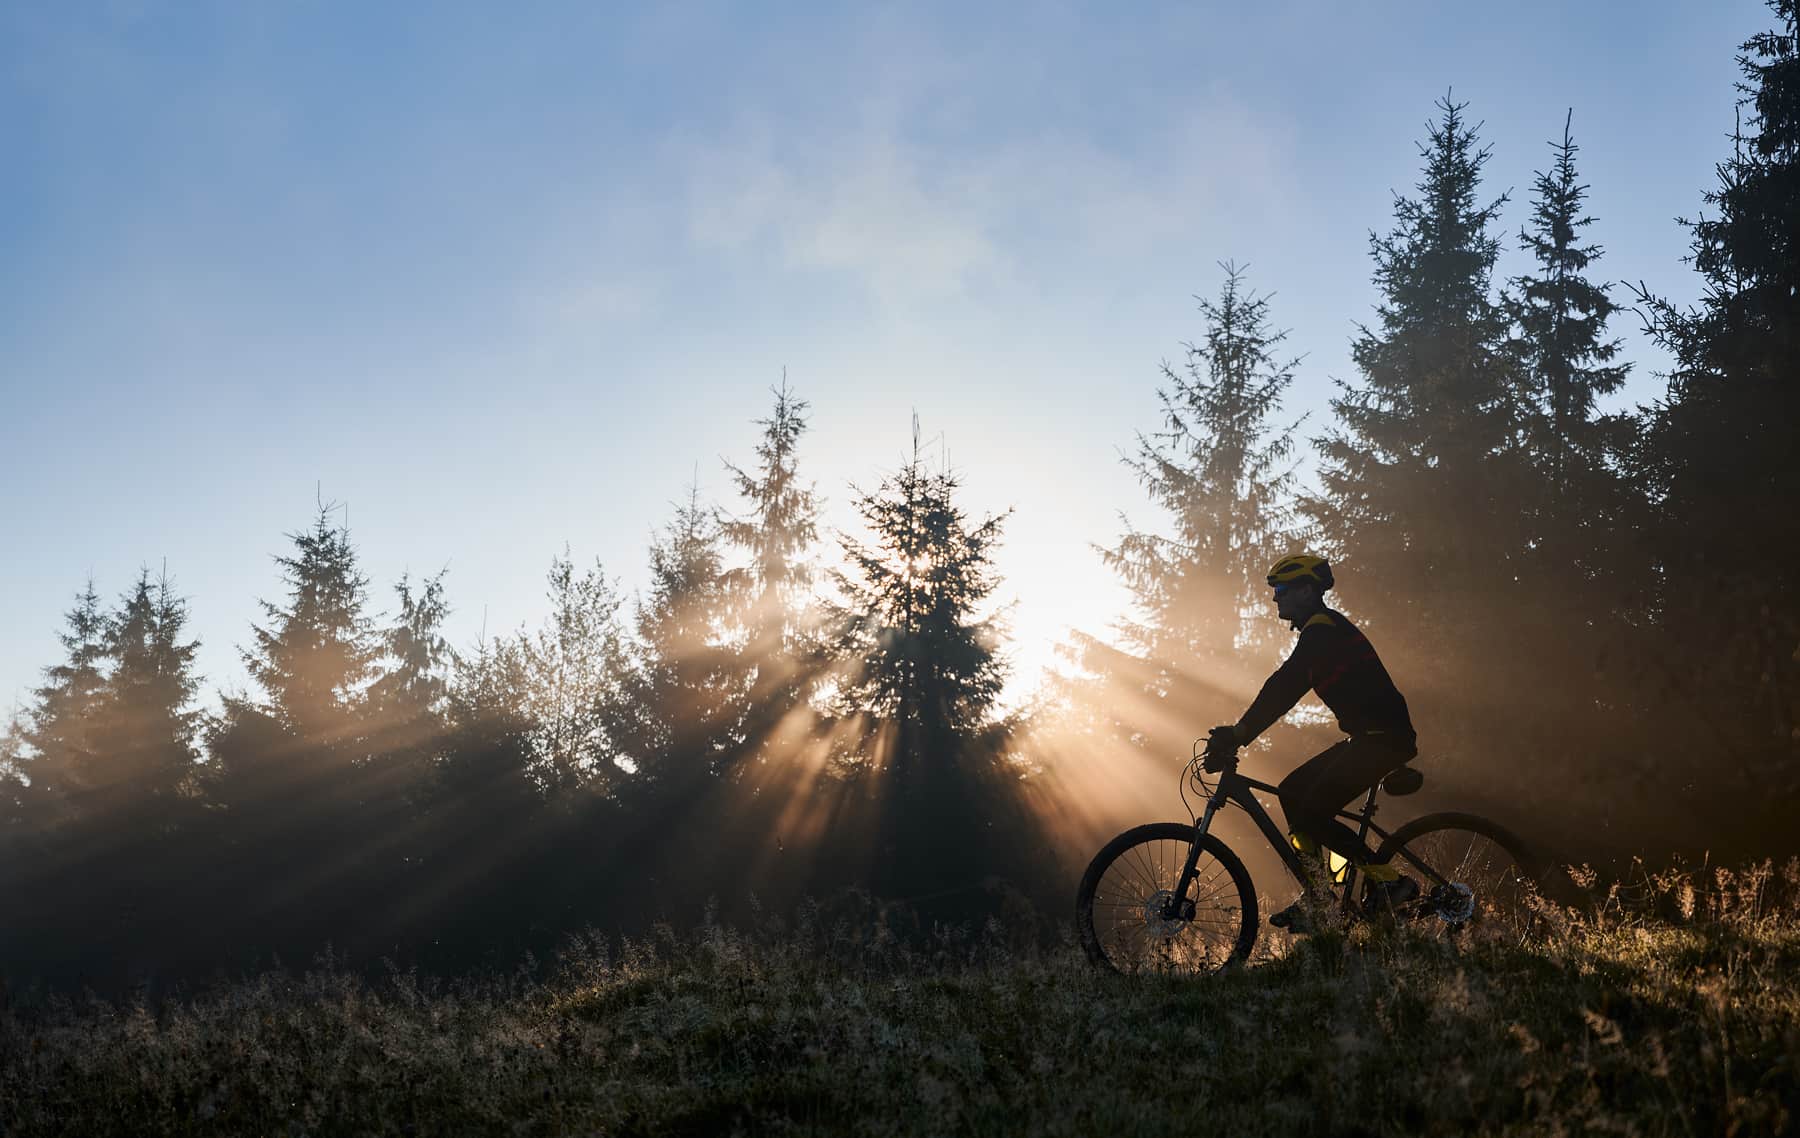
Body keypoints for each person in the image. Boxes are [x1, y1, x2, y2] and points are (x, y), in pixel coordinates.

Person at [1206, 553, 1419, 930]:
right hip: (1370, 738)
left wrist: (1239, 735)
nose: (1275, 598)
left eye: (1283, 589)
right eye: (1274, 590)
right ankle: (1320, 895)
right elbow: (1286, 686)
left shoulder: (1323, 629)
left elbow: (1285, 686)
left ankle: (1389, 883)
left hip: (1383, 739)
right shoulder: (1319, 630)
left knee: (1314, 810)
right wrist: (1240, 734)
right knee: (1291, 793)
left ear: (1307, 590)